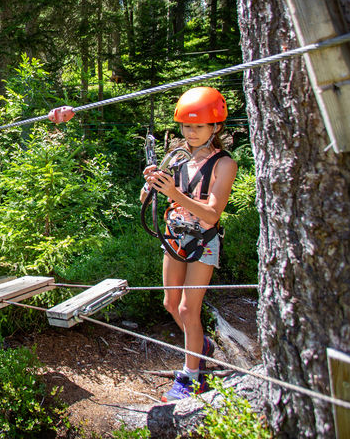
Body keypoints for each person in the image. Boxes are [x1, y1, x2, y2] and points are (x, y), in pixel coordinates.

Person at [48, 87, 237, 402]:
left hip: (202, 241)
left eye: (199, 127)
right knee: (170, 304)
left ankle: (193, 377)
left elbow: (213, 212)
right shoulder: (178, 158)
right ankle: (200, 344)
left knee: (190, 309)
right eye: (186, 126)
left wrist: (173, 192)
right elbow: (144, 200)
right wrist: (151, 184)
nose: (190, 133)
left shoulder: (223, 164)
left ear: (215, 127)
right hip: (174, 235)